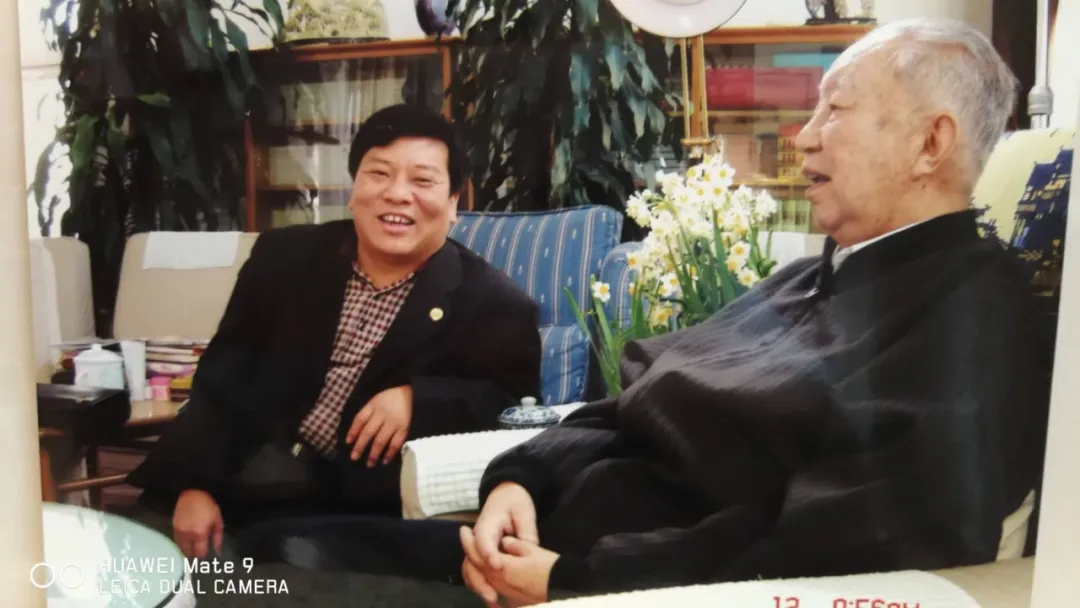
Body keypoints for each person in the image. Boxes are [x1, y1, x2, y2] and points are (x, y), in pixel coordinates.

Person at [456, 18, 1052, 604]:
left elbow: (840, 535)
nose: (804, 137)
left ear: (930, 144)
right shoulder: (806, 279)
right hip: (532, 542)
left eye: (836, 110)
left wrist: (578, 580)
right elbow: (629, 404)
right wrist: (522, 478)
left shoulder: (974, 318)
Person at [126, 103, 543, 560]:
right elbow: (221, 377)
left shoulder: (494, 304)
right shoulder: (284, 258)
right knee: (129, 559)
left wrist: (419, 399)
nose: (397, 194)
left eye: (422, 181)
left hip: (350, 514)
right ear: (353, 189)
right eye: (379, 174)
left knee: (273, 570)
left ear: (453, 204)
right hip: (235, 474)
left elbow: (514, 414)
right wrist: (196, 485)